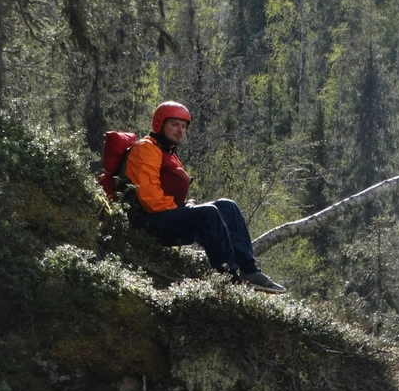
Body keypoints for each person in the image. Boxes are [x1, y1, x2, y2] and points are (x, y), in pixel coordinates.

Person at [123, 101, 286, 294]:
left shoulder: (167, 152)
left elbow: (168, 195)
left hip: (162, 216)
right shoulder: (146, 149)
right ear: (159, 123)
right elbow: (150, 200)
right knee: (208, 213)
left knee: (227, 206)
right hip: (143, 222)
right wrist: (184, 211)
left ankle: (250, 270)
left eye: (184, 126)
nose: (180, 131)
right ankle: (229, 278)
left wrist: (185, 206)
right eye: (174, 124)